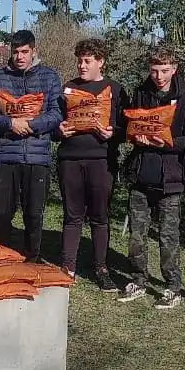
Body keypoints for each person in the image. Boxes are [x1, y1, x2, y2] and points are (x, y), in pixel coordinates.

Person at [118, 48, 185, 310]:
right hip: (141, 175)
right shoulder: (141, 93)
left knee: (168, 236)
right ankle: (138, 280)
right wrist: (134, 136)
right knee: (137, 235)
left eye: (164, 70)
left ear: (174, 69)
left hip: (171, 179)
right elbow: (128, 126)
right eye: (154, 70)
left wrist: (166, 142)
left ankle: (172, 286)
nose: (159, 76)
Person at [0, 29, 63, 262]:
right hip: (6, 154)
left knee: (34, 214)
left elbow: (57, 113)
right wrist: (9, 123)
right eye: (15, 52)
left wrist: (33, 124)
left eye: (24, 52)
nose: (19, 57)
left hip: (37, 156)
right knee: (2, 213)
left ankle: (32, 258)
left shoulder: (49, 76)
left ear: (34, 51)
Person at [55, 37, 127, 290]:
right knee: (72, 215)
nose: (82, 66)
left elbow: (125, 128)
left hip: (101, 161)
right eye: (79, 61)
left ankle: (101, 268)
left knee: (99, 216)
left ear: (100, 62)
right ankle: (68, 266)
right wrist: (59, 131)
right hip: (70, 160)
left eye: (87, 61)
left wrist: (113, 134)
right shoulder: (68, 88)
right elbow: (56, 124)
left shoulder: (115, 90)